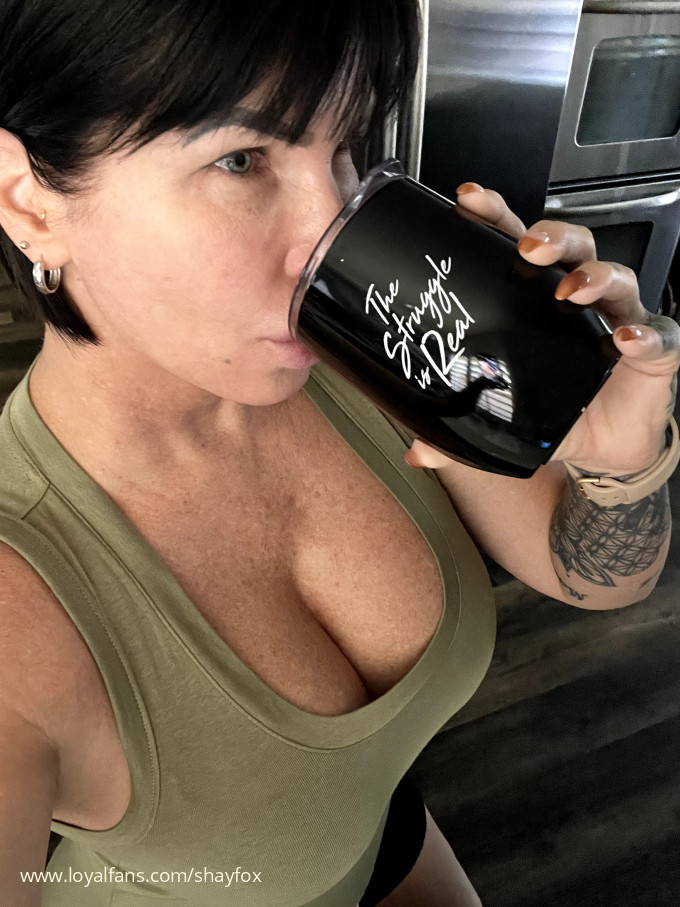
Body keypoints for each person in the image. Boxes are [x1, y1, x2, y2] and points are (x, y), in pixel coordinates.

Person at [0, 2, 678, 905]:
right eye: (242, 160)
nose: (331, 230)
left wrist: (617, 456)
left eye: (346, 149)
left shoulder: (376, 353)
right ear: (28, 202)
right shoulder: (17, 619)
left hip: (389, 836)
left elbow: (593, 574)